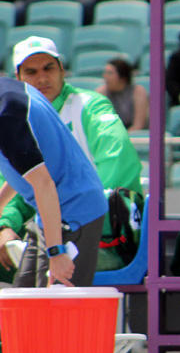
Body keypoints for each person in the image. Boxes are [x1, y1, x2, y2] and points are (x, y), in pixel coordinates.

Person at [2, 36, 140, 279]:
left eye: (49, 68)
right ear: (18, 77)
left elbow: (117, 160)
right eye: (31, 72)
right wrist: (6, 223)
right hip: (48, 220)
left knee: (55, 300)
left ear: (62, 70)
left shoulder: (89, 105)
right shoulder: (17, 110)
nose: (42, 79)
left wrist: (88, 223)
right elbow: (18, 177)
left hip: (94, 226)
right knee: (25, 295)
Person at [0, 76, 106, 287]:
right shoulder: (9, 89)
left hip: (75, 214)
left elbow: (44, 184)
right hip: (50, 215)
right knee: (25, 303)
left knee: (58, 309)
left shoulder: (6, 117)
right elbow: (24, 166)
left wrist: (56, 252)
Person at [97, 57, 148, 132]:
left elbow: (138, 125)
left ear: (122, 77)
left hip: (134, 136)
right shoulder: (101, 93)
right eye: (105, 72)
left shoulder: (138, 92)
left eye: (110, 73)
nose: (105, 76)